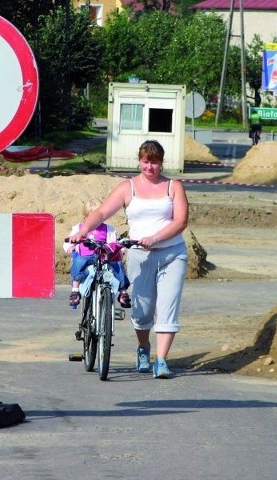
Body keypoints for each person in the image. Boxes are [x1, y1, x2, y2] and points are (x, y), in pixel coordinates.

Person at [68, 140, 189, 379]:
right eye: (145, 161)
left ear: (161, 163)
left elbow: (181, 221)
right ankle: (143, 348)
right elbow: (102, 212)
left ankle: (161, 361)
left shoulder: (173, 186)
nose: (150, 166)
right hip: (139, 255)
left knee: (167, 308)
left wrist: (155, 238)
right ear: (139, 161)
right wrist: (83, 231)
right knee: (142, 311)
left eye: (154, 162)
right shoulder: (128, 187)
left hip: (172, 254)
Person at [63, 198, 131, 309]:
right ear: (86, 216)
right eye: (91, 216)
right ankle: (75, 289)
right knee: (78, 260)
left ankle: (123, 291)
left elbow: (115, 242)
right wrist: (70, 247)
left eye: (98, 217)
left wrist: (120, 249)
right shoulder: (79, 228)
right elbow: (71, 239)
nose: (94, 220)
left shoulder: (108, 229)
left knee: (117, 264)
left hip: (104, 256)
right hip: (86, 256)